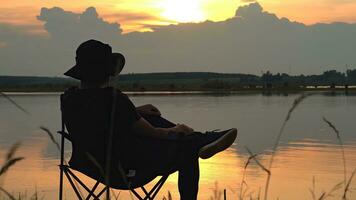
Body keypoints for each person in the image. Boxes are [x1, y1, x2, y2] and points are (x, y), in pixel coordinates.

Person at [62, 39, 237, 200]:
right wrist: (175, 130)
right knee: (188, 149)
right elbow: (151, 132)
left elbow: (98, 119)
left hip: (87, 164)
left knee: (149, 116)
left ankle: (201, 139)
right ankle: (200, 140)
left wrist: (135, 111)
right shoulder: (113, 98)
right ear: (107, 71)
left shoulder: (70, 98)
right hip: (127, 169)